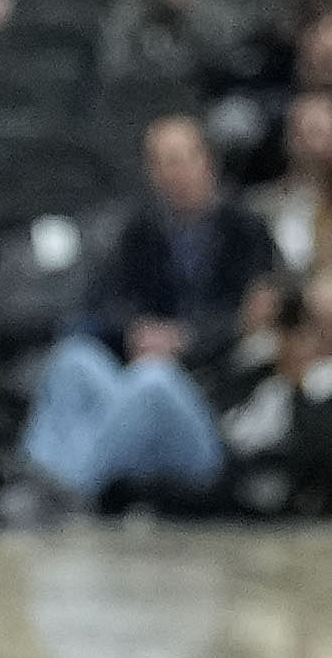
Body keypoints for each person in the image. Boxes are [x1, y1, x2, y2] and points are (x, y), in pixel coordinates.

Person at [22, 108, 264, 512]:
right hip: (135, 381)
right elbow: (102, 304)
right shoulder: (137, 231)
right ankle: (36, 472)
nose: (172, 172)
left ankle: (69, 489)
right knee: (74, 359)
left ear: (207, 162)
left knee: (154, 380)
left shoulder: (248, 232)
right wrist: (137, 331)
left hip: (213, 398)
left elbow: (253, 319)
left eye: (180, 159)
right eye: (160, 162)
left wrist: (186, 339)